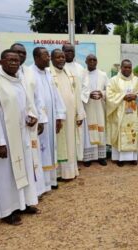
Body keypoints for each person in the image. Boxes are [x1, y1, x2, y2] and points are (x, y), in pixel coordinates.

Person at [0, 49, 40, 227]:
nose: (14, 63)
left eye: (17, 61)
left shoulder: (19, 82)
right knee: (6, 175)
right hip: (5, 139)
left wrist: (31, 117)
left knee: (22, 169)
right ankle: (7, 211)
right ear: (1, 62)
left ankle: (22, 204)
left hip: (21, 134)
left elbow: (25, 106)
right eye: (10, 60)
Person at [0, 43, 45, 196]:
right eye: (14, 56)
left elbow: (32, 100)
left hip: (25, 130)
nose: (18, 59)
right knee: (9, 170)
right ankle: (11, 207)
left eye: (22, 54)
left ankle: (27, 199)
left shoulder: (24, 76)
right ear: (2, 62)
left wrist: (36, 117)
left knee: (27, 164)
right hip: (7, 132)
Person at [31, 47, 66, 191]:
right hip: (39, 121)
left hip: (51, 119)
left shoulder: (48, 74)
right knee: (41, 150)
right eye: (45, 56)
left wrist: (59, 116)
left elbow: (56, 96)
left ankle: (51, 180)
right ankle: (41, 185)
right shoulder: (29, 74)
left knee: (51, 149)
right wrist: (38, 118)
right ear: (36, 58)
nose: (48, 58)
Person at [49, 49, 85, 180]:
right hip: (56, 116)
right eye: (57, 57)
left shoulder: (68, 73)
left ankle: (69, 171)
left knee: (70, 142)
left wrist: (79, 114)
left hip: (70, 116)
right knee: (57, 143)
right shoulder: (48, 74)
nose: (61, 59)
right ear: (51, 59)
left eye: (62, 57)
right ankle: (57, 174)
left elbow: (76, 94)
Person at [106, 59, 138, 166]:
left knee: (133, 132)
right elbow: (109, 96)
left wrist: (136, 96)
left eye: (129, 67)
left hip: (133, 113)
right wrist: (123, 96)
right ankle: (120, 158)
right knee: (121, 133)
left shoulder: (137, 80)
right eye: (125, 67)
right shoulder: (113, 80)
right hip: (120, 113)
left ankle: (133, 157)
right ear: (121, 68)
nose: (127, 69)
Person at [81, 54, 108, 167]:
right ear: (86, 61)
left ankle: (101, 156)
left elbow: (109, 89)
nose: (92, 62)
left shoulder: (103, 75)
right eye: (90, 60)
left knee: (100, 130)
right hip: (87, 106)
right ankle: (88, 157)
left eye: (94, 60)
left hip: (100, 106)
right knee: (88, 131)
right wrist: (88, 95)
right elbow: (79, 90)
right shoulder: (82, 74)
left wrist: (102, 94)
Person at [62, 43, 85, 161]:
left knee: (77, 135)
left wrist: (80, 110)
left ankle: (75, 161)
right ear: (62, 52)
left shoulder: (80, 68)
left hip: (77, 107)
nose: (69, 53)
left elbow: (85, 88)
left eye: (72, 51)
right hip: (64, 109)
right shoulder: (58, 68)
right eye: (67, 51)